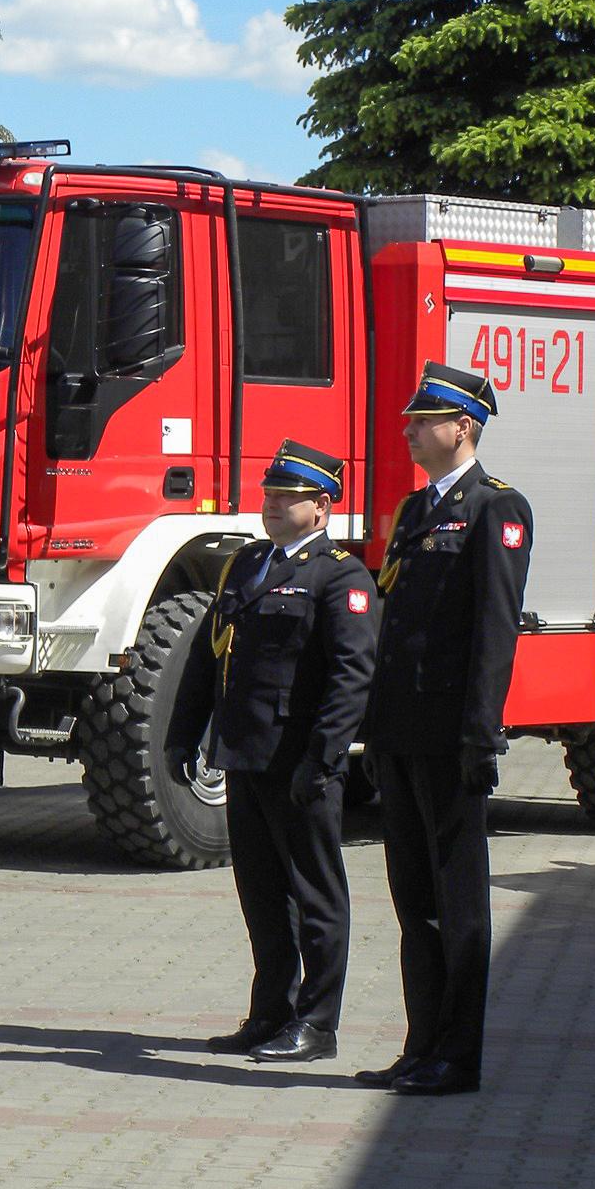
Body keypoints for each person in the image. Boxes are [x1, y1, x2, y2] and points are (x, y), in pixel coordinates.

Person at [174, 440, 379, 1064]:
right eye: (268, 495)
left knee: (316, 895)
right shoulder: (246, 564)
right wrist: (185, 732)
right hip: (245, 753)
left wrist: (325, 757)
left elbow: (351, 675)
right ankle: (271, 1013)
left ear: (321, 507)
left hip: (300, 760)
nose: (272, 506)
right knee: (262, 894)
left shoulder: (340, 575)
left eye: (287, 497)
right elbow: (210, 655)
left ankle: (318, 1023)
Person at [359, 361, 532, 1097]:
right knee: (414, 900)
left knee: (459, 905)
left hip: (450, 737)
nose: (409, 429)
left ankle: (458, 1056)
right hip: (400, 732)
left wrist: (480, 735)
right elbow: (394, 629)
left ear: (463, 427)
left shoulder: (496, 508)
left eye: (423, 419)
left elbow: (495, 632)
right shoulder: (414, 512)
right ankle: (421, 1044)